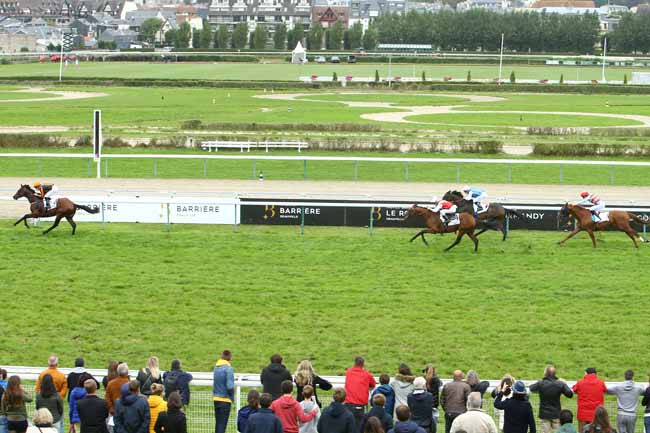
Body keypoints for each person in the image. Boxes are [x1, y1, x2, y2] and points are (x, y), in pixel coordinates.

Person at [529, 365, 574, 433]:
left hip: (544, 415)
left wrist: (540, 382)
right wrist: (564, 384)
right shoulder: (560, 383)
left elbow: (531, 388)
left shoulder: (541, 383)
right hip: (556, 414)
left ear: (546, 373)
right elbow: (570, 394)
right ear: (554, 374)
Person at [344, 356, 376, 431]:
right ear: (363, 364)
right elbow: (373, 384)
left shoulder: (348, 372)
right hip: (359, 406)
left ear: (354, 363)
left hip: (348, 405)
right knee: (359, 428)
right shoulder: (367, 374)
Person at [572, 368, 607, 433]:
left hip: (583, 414)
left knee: (582, 431)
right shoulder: (601, 382)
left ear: (586, 373)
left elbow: (574, 389)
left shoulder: (580, 382)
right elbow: (605, 389)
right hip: (596, 415)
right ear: (595, 374)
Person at [213, 350, 235, 433]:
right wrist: (232, 397)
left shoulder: (216, 367)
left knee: (218, 424)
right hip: (225, 400)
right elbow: (230, 386)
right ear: (230, 357)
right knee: (222, 426)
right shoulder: (229, 369)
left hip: (216, 399)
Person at [423, 365, 442, 433]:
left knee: (425, 424)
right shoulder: (436, 379)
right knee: (434, 424)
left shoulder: (423, 379)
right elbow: (440, 384)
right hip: (434, 404)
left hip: (425, 403)